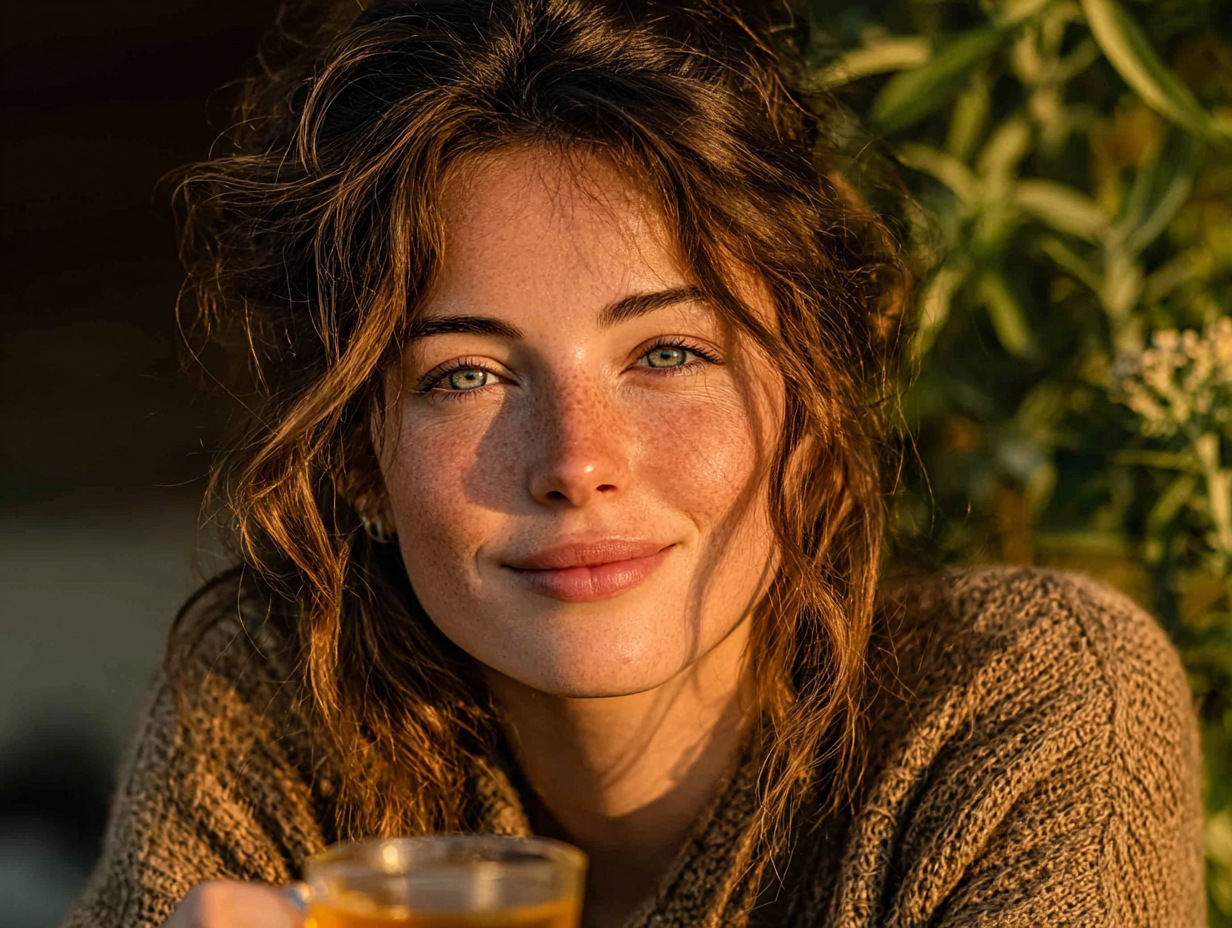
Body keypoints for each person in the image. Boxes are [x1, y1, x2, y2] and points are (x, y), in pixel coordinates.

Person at [63, 1, 1205, 926]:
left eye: (666, 352)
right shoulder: (271, 717)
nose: (576, 462)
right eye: (465, 374)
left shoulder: (1018, 710)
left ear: (808, 405)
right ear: (357, 457)